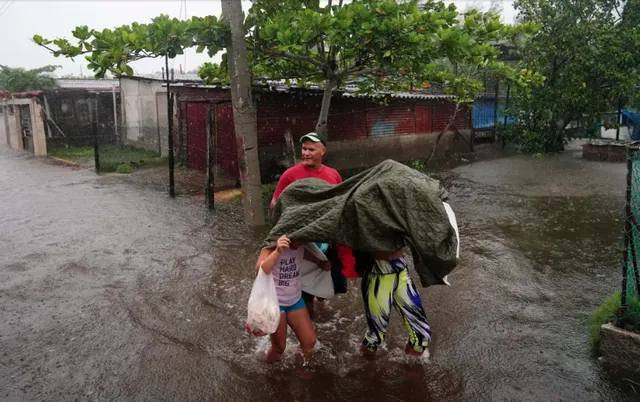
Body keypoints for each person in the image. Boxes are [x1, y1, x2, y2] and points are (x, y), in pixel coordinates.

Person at [270, 132, 354, 319]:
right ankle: (310, 321)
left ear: (323, 151)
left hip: (327, 237)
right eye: (304, 149)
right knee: (305, 286)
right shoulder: (290, 175)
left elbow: (341, 203)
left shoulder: (333, 175)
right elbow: (275, 203)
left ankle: (321, 306)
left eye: (311, 149)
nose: (306, 153)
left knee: (329, 275)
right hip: (303, 240)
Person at [255, 234, 331, 363]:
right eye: (300, 238)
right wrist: (278, 251)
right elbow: (259, 271)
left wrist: (320, 262)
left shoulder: (302, 247)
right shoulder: (270, 247)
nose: (303, 242)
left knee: (309, 342)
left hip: (295, 300)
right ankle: (270, 374)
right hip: (275, 304)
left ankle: (299, 369)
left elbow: (305, 254)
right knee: (279, 347)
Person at [357, 246, 432, 359]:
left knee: (422, 336)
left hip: (401, 271)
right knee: (375, 338)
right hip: (377, 275)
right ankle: (365, 366)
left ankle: (412, 366)